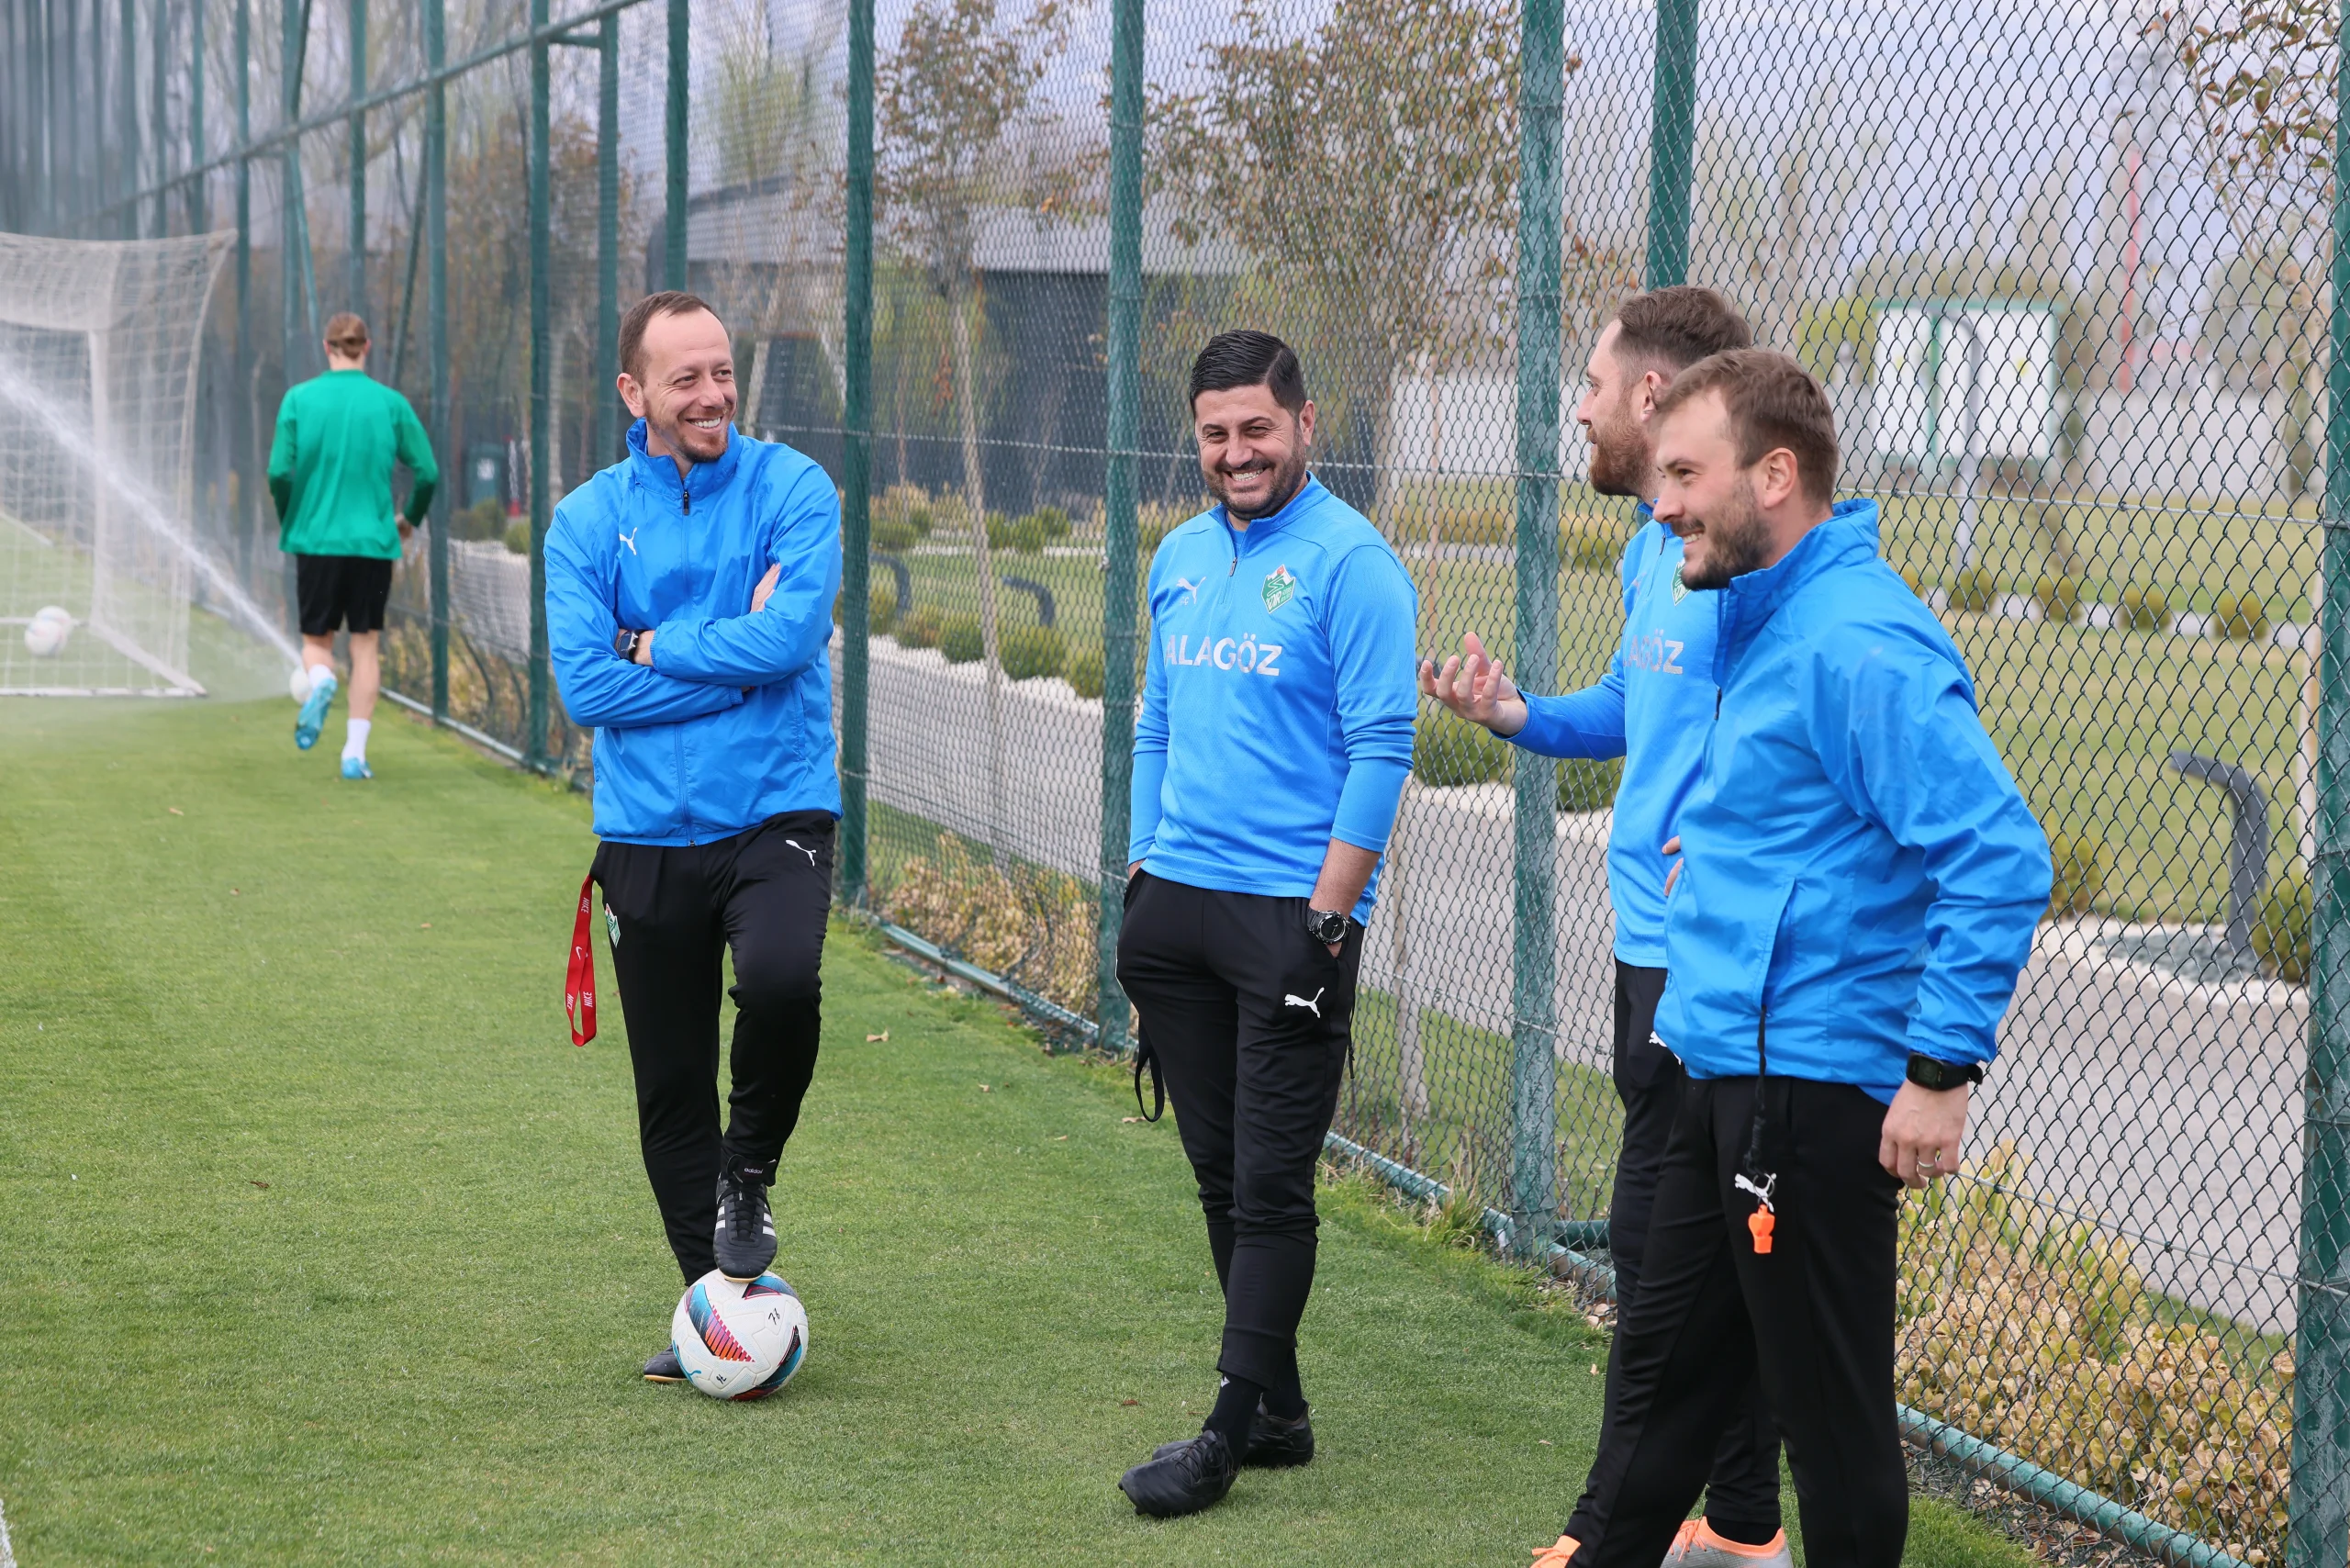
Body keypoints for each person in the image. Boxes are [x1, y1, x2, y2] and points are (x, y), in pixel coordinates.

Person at [1547, 349, 2049, 1568]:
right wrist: (1719, 852)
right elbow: (1800, 813)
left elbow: (1997, 854)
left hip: (1810, 1095)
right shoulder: (1755, 611)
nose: (1661, 504)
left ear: (1773, 476)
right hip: (1718, 1062)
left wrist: (1939, 1071)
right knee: (1664, 1398)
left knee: (1831, 1434)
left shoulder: (1859, 638)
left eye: (1685, 475)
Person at [1419, 287, 1790, 1568]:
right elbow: (1638, 710)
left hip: (1722, 966)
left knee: (1674, 1256)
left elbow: (1787, 724)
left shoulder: (1742, 558)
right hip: (1647, 955)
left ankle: (1647, 1531)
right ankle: (1739, 1527)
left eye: (1591, 383)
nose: (1576, 408)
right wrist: (1518, 715)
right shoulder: (1650, 550)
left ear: (1651, 395)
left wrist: (1741, 833)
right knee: (1679, 1255)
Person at [1112, 330, 1417, 1518]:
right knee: (1219, 1178)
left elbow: (1382, 749)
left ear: (1304, 425)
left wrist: (1329, 922)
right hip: (1176, 912)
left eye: (1257, 429)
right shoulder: (1181, 554)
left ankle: (1228, 1430)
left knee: (1273, 1186)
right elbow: (1154, 722)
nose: (1237, 452)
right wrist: (1141, 869)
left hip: (1292, 917)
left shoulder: (1355, 564)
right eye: (1215, 433)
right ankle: (1281, 1412)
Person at [543, 290, 843, 1383]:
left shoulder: (793, 487)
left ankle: (747, 1175)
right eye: (686, 378)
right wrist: (734, 661)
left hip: (776, 809)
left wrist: (651, 645)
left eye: (722, 370)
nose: (713, 393)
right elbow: (586, 688)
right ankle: (717, 1306)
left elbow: (789, 638)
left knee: (780, 984)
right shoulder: (585, 520)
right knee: (670, 1089)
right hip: (643, 834)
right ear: (635, 393)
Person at [268, 311, 438, 778]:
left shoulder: (298, 399)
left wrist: (293, 517)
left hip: (316, 542)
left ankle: (321, 679)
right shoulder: (390, 404)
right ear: (367, 348)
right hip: (372, 546)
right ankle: (354, 755)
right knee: (365, 647)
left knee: (315, 643)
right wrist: (409, 520)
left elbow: (278, 472)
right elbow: (427, 473)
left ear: (327, 348)